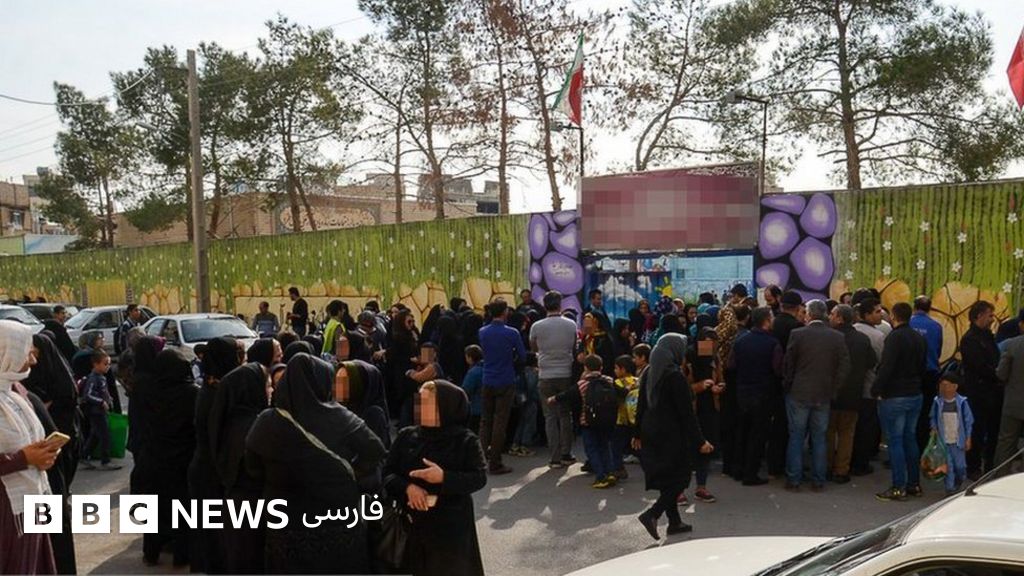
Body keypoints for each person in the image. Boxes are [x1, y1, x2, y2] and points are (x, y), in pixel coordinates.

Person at [246, 353, 386, 574]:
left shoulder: (267, 421)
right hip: (336, 520)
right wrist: (351, 474)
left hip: (285, 522)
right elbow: (375, 451)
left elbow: (252, 468)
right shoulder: (340, 417)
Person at [383, 380, 487, 576]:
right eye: (419, 401)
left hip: (451, 529)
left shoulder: (465, 440)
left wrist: (444, 477)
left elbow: (479, 477)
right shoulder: (407, 436)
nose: (420, 408)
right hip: (411, 525)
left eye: (427, 403)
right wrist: (408, 488)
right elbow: (387, 473)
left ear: (446, 407)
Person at [634, 334, 711, 539]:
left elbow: (641, 404)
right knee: (681, 478)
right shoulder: (675, 377)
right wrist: (700, 441)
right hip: (671, 435)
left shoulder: (650, 372)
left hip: (651, 431)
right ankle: (653, 513)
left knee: (668, 479)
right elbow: (687, 414)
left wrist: (636, 433)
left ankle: (674, 522)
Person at [0, 321, 60, 574]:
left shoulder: (15, 393)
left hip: (34, 499)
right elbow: (21, 454)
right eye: (27, 353)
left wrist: (43, 455)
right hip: (8, 512)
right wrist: (23, 458)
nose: (33, 361)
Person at [134, 348, 198, 566]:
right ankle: (181, 556)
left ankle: (151, 552)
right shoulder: (191, 393)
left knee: (155, 508)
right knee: (183, 509)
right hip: (182, 460)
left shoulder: (148, 391)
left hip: (153, 458)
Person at [783, 300, 850, 492]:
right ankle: (819, 479)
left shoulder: (797, 334)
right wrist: (834, 388)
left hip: (799, 392)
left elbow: (789, 363)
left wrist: (788, 385)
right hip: (823, 393)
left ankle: (794, 479)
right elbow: (845, 366)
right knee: (819, 438)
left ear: (809, 314)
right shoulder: (837, 337)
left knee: (796, 436)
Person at [209, 361, 268, 573]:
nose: (270, 390)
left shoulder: (229, 420)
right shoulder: (255, 425)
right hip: (252, 508)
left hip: (235, 505)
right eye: (267, 385)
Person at [188, 336, 240, 574]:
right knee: (217, 539)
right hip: (213, 472)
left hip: (206, 469)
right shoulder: (219, 394)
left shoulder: (211, 388)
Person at [872, 302, 927, 501]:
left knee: (895, 440)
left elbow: (887, 366)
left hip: (895, 395)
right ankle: (914, 484)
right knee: (910, 438)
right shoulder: (918, 338)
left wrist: (877, 389)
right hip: (915, 393)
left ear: (894, 316)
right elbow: (923, 366)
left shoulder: (894, 338)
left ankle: (898, 486)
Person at [731, 307, 783, 485]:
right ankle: (750, 473)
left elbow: (731, 364)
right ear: (766, 321)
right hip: (763, 393)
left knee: (742, 431)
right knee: (758, 434)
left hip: (742, 391)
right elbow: (778, 369)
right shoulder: (773, 343)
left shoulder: (740, 340)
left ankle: (738, 468)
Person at [552, 355, 621, 488]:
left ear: (585, 368)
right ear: (601, 367)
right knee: (605, 447)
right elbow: (620, 392)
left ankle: (600, 476)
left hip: (588, 421)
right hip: (607, 420)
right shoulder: (609, 380)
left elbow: (568, 394)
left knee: (592, 449)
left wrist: (553, 398)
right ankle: (610, 472)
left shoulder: (582, 384)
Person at [826, 305, 877, 484]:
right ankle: (842, 470)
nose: (830, 317)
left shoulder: (830, 337)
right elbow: (872, 361)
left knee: (828, 432)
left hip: (830, 393)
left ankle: (826, 466)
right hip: (854, 393)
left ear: (840, 318)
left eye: (832, 314)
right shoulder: (862, 339)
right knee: (847, 434)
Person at [478, 300, 527, 474]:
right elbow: (522, 356)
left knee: (485, 421)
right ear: (505, 312)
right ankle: (495, 461)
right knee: (500, 421)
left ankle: (481, 459)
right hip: (506, 378)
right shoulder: (512, 333)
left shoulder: (483, 332)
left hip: (487, 378)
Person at [959, 300, 1001, 479]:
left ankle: (990, 465)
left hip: (993, 392)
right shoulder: (970, 340)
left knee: (993, 430)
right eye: (990, 315)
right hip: (978, 393)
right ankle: (973, 466)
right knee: (976, 430)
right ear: (979, 316)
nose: (992, 319)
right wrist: (997, 374)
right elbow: (979, 366)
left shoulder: (988, 337)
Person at [850, 297, 887, 476]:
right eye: (877, 311)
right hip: (869, 387)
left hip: (852, 387)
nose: (881, 314)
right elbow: (880, 361)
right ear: (867, 314)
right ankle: (861, 463)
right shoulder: (878, 336)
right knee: (866, 428)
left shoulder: (854, 330)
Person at [688, 314, 723, 503]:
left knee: (705, 448)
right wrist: (700, 386)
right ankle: (678, 490)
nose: (709, 347)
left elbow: (721, 378)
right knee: (687, 449)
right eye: (706, 342)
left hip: (709, 407)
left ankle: (701, 487)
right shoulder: (689, 356)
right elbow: (682, 386)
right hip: (691, 408)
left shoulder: (714, 359)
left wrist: (718, 387)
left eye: (712, 343)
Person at [930, 373, 974, 495]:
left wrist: (968, 438)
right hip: (943, 441)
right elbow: (933, 417)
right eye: (942, 385)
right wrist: (933, 428)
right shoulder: (937, 402)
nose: (944, 389)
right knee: (948, 466)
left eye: (947, 385)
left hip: (958, 441)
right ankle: (950, 489)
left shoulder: (962, 403)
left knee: (960, 466)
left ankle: (959, 481)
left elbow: (968, 421)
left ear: (955, 386)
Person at [910, 296, 943, 451]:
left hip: (911, 374)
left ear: (914, 307)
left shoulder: (908, 324)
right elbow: (938, 351)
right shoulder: (936, 327)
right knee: (925, 412)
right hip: (930, 373)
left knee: (909, 413)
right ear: (929, 308)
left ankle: (909, 449)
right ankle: (922, 446)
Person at [79, 350, 120, 471]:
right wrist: (101, 401)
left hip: (101, 411)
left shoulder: (101, 377)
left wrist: (108, 398)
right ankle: (105, 461)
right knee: (105, 436)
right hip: (96, 412)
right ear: (96, 364)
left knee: (96, 435)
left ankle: (84, 455)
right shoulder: (93, 378)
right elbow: (88, 395)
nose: (108, 366)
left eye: (109, 364)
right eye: (105, 363)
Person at [337, 359, 392, 448]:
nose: (338, 387)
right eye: (337, 381)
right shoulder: (339, 409)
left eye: (344, 382)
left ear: (358, 385)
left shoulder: (374, 414)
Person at [996, 310, 1024, 475]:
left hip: (1013, 403)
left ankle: (1000, 479)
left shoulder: (1011, 345)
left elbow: (1001, 374)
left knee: (1006, 443)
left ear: (1021, 324)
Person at [611, 355, 639, 479]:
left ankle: (618, 468)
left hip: (621, 418)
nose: (615, 371)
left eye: (616, 368)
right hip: (635, 418)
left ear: (623, 369)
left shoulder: (617, 383)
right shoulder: (637, 381)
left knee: (616, 446)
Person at [509, 353, 540, 456]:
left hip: (521, 398)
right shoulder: (532, 372)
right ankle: (525, 446)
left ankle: (515, 444)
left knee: (521, 422)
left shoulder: (520, 371)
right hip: (530, 399)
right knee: (530, 423)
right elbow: (531, 386)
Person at [461, 345, 485, 434]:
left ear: (470, 358)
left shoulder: (473, 372)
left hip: (475, 408)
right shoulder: (487, 368)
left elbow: (466, 390)